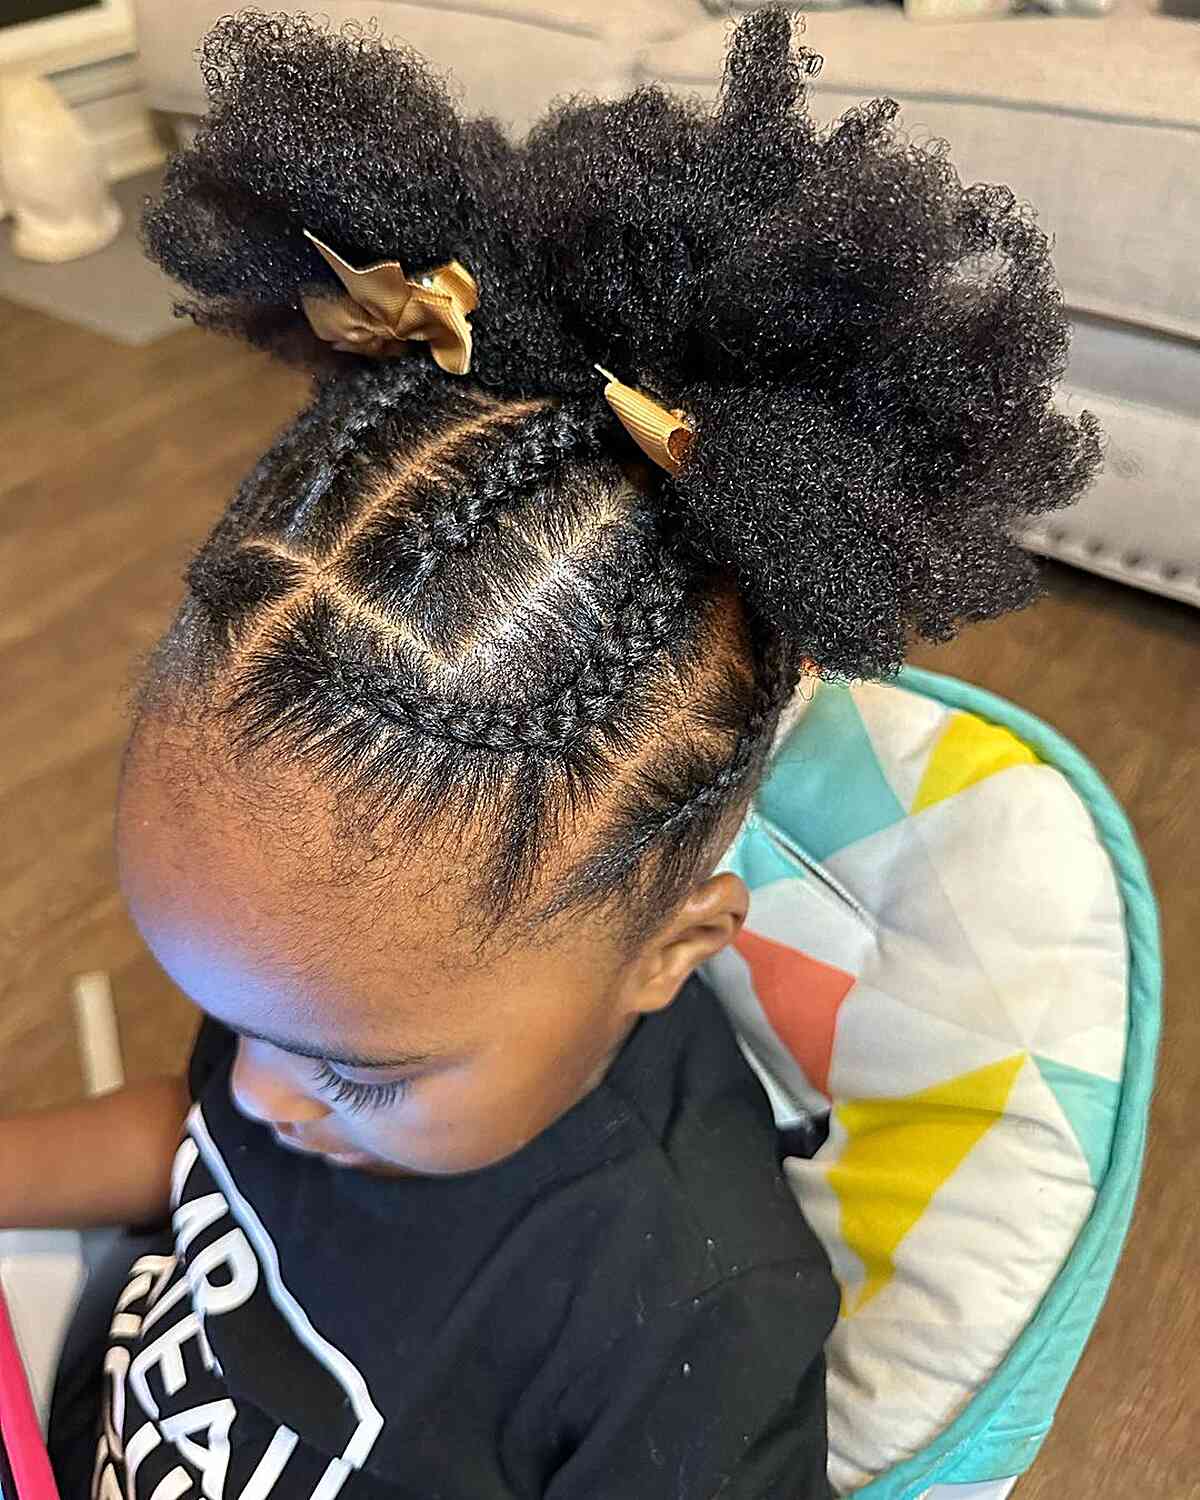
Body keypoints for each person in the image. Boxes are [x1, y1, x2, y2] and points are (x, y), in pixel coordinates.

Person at [0, 8, 1100, 1497]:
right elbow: (202, 1148)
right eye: (223, 1012)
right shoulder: (320, 991)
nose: (257, 1089)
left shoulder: (684, 1314)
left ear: (673, 948)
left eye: (353, 1073)